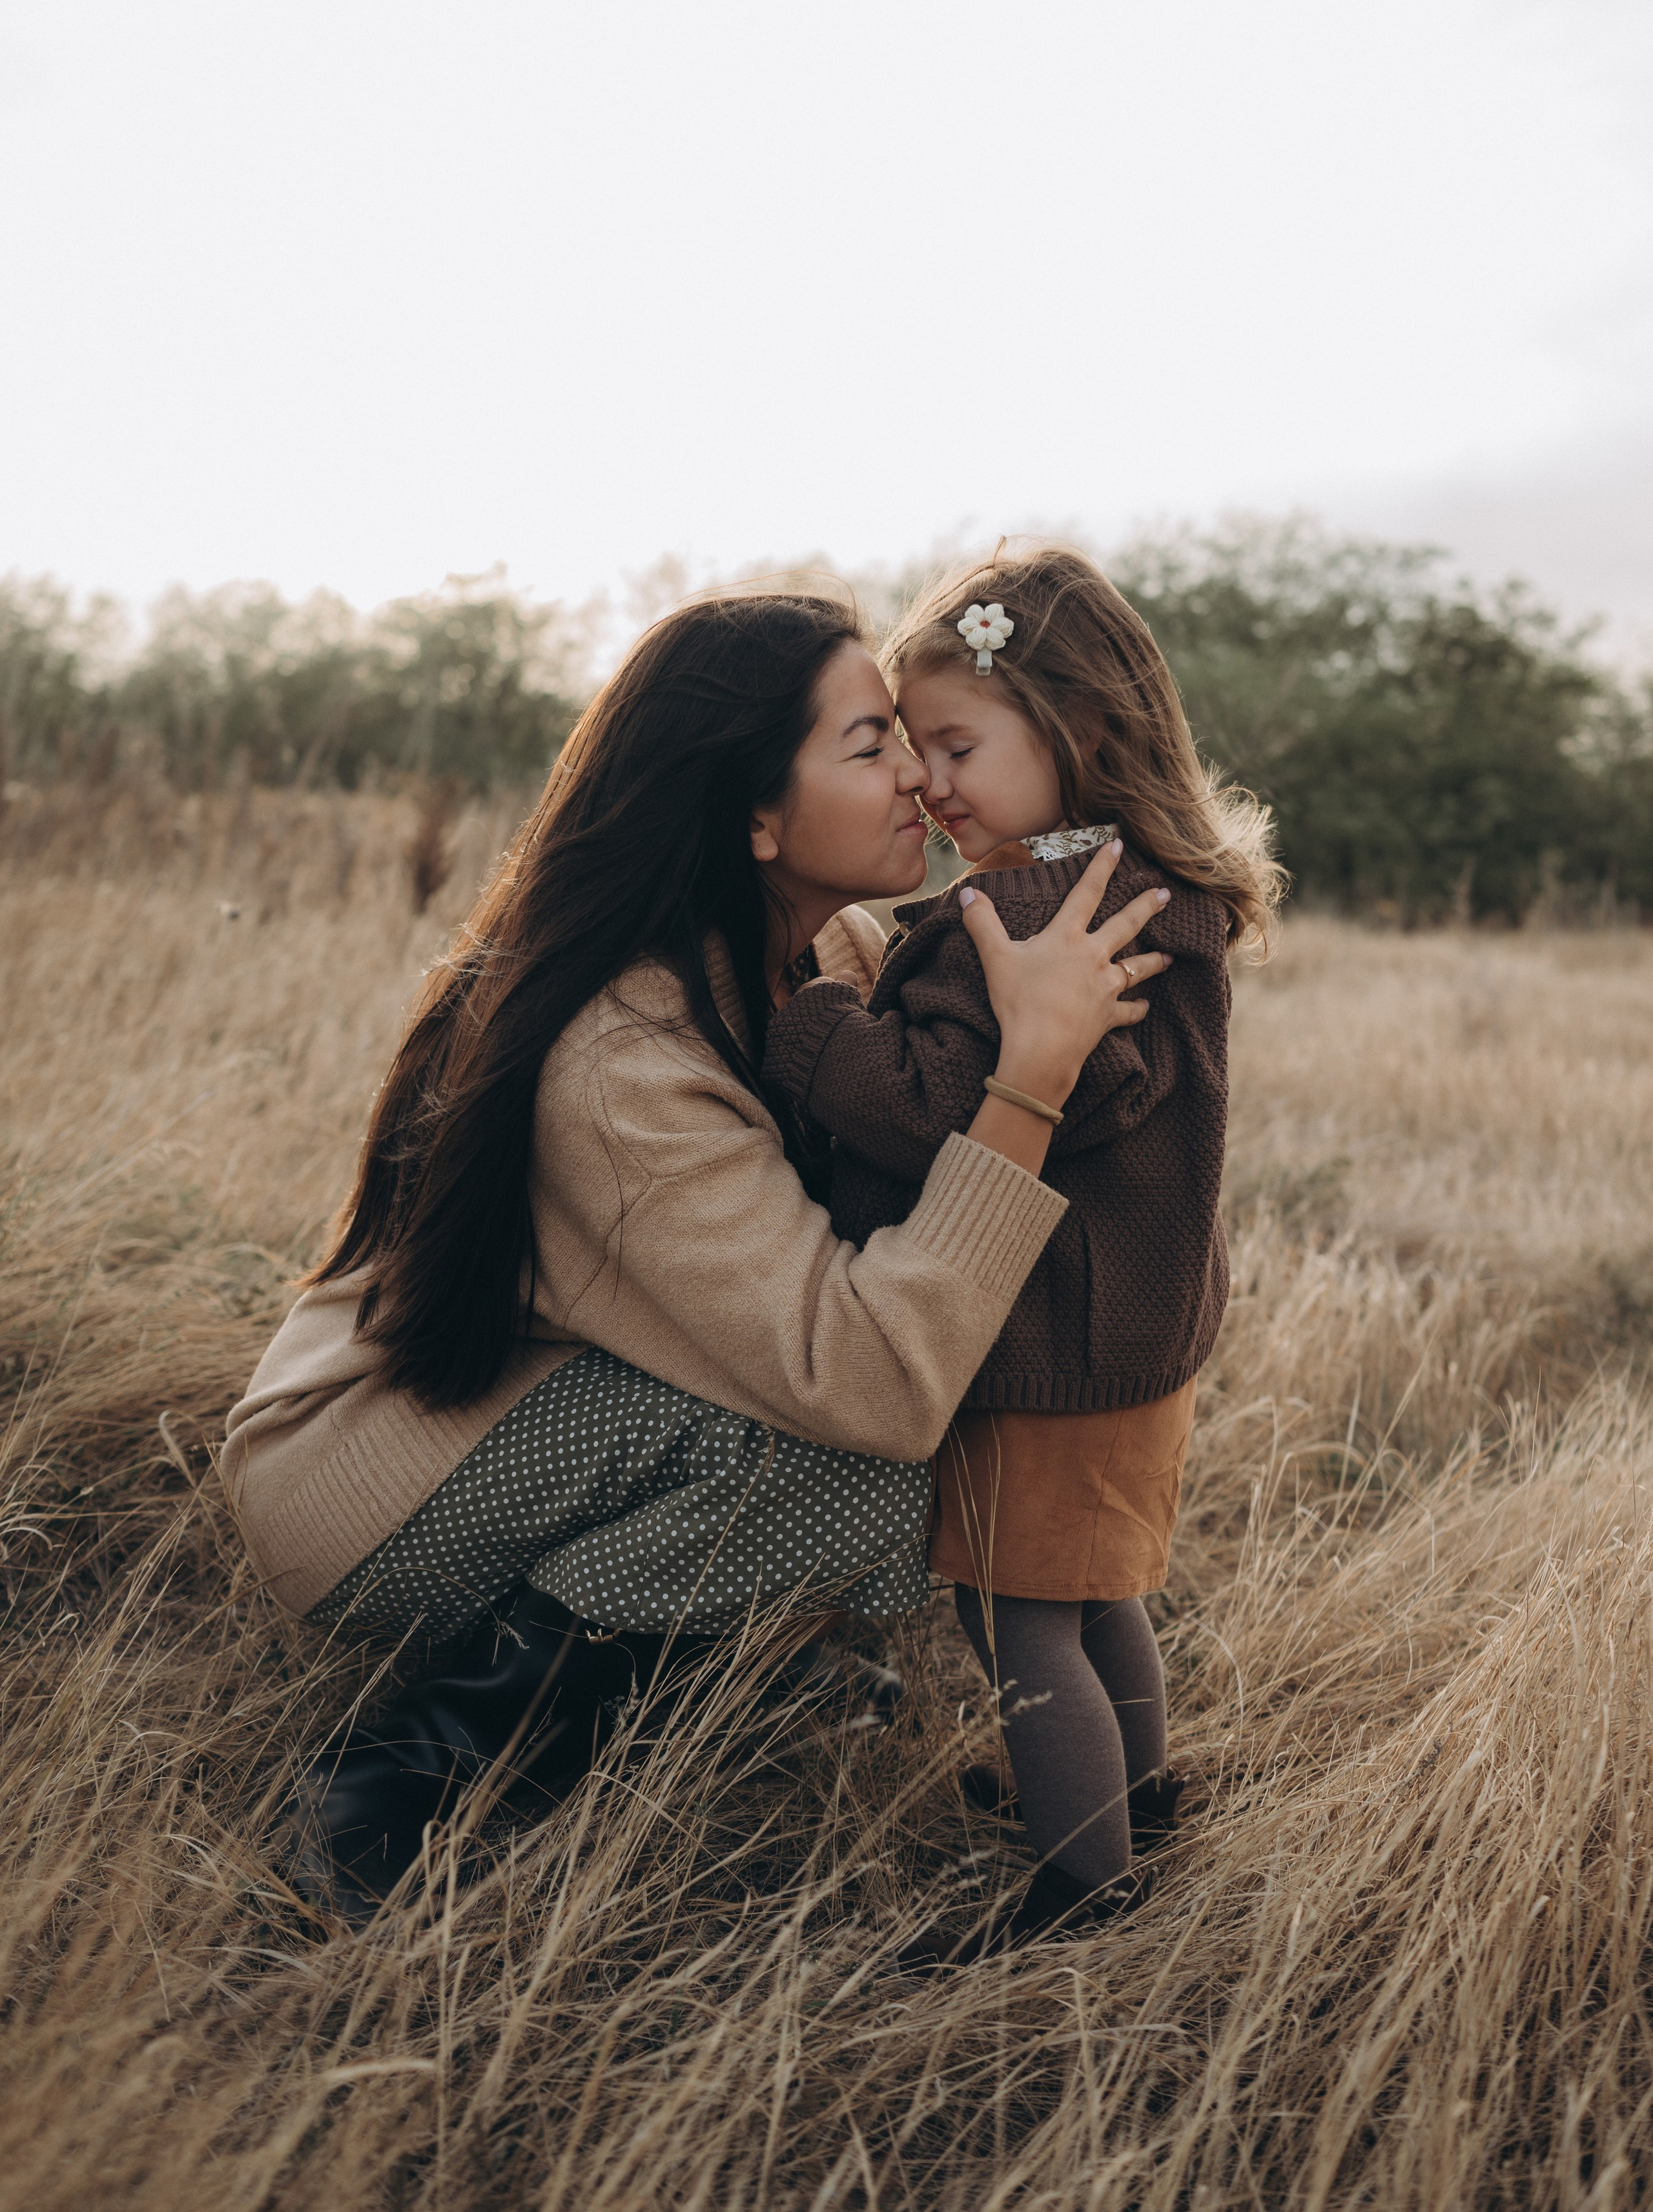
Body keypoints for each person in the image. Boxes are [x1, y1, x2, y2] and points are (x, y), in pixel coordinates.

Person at [222, 586, 1173, 1918]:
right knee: (860, 1472)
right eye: (867, 744)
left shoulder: (824, 951)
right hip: (380, 1484)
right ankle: (409, 1767)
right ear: (752, 818)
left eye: (910, 731)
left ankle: (713, 1660)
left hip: (556, 1398)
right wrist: (1031, 1076)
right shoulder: (620, 1060)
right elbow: (877, 1382)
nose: (916, 769)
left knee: (880, 1436)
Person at [763, 544, 1282, 1961]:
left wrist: (811, 1023)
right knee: (1093, 1587)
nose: (929, 779)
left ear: (1081, 735)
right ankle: (1138, 1794)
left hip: (1047, 1340)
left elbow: (944, 1109)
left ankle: (1081, 1886)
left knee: (1017, 1624)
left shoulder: (1028, 914)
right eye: (911, 744)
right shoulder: (1147, 888)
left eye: (955, 743)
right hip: (1134, 1333)